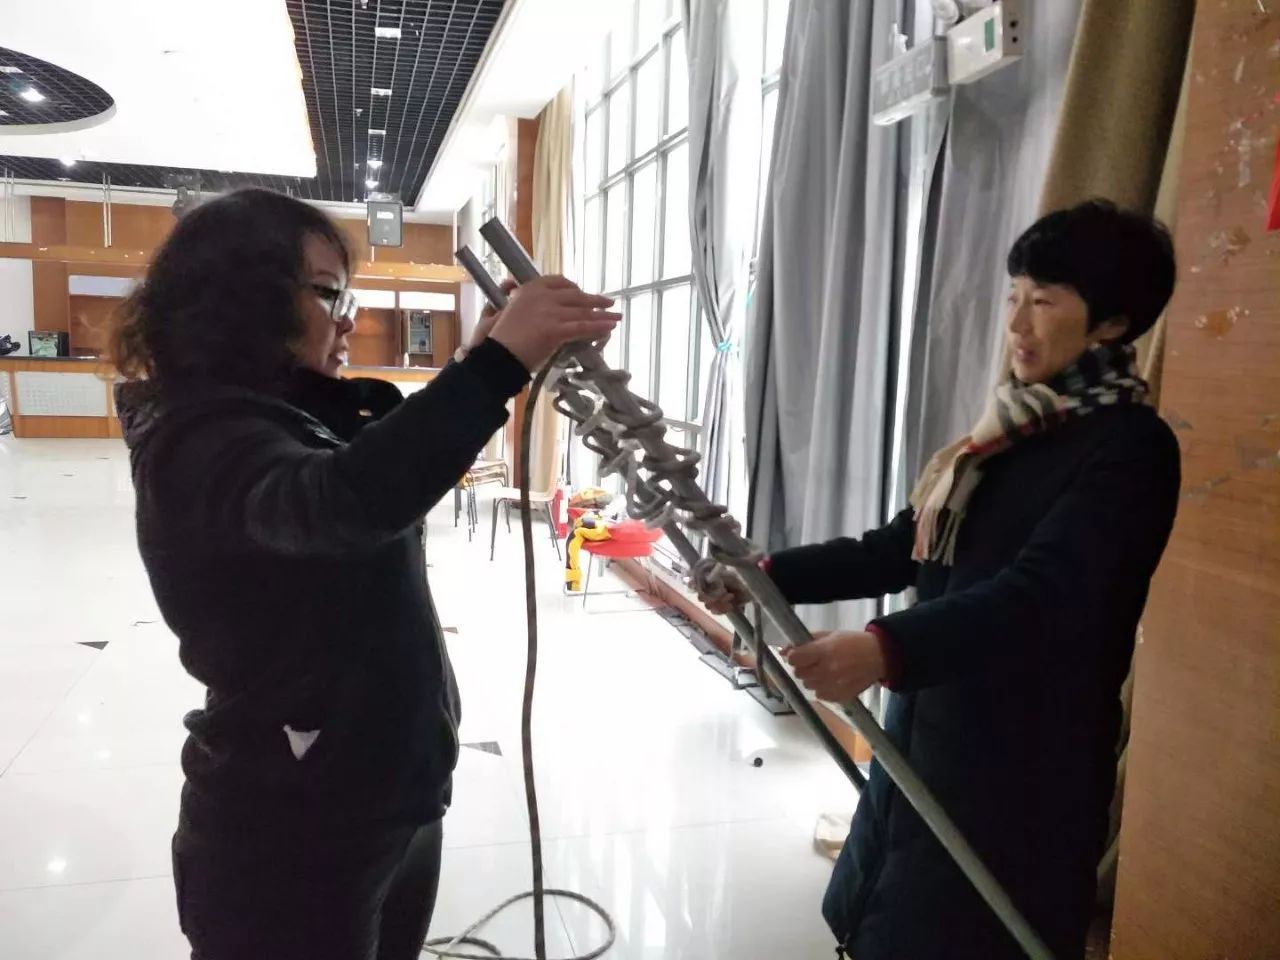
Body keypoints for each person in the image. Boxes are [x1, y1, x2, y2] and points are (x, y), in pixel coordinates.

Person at [109, 187, 618, 960]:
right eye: (327, 293)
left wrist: (475, 362)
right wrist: (496, 366)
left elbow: (374, 466)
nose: (348, 317)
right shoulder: (201, 441)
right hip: (293, 830)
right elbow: (340, 500)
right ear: (244, 299)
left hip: (383, 795)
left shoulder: (282, 415)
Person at [703, 200, 1181, 959]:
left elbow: (1046, 596)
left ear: (1113, 324)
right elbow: (899, 551)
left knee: (969, 934)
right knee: (888, 916)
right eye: (1013, 296)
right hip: (930, 735)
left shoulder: (1131, 449)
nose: (1016, 323)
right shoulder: (1005, 436)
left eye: (1044, 301)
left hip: (1025, 767)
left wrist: (885, 648)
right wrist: (767, 576)